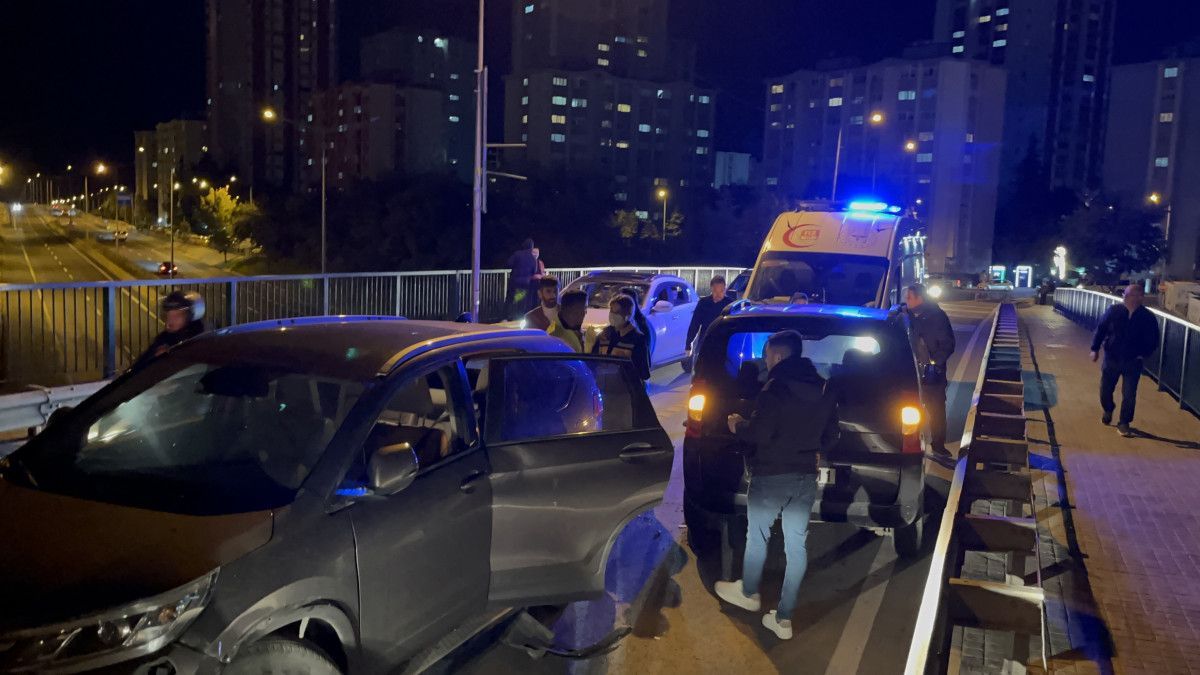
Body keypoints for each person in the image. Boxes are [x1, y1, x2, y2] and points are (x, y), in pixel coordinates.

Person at [714, 330, 839, 640]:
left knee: (758, 536)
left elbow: (760, 433)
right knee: (796, 546)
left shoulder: (775, 389)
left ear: (779, 356)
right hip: (804, 476)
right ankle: (783, 619)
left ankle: (749, 592)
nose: (765, 360)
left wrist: (737, 425)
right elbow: (831, 435)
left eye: (767, 354)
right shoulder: (824, 388)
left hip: (771, 475)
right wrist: (813, 449)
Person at [1090, 284, 1160, 437]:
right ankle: (1108, 409)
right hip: (1112, 358)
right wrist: (1095, 349)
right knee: (1105, 390)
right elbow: (1101, 329)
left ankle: (1124, 422)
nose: (1126, 298)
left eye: (1130, 295)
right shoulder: (1114, 311)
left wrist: (1144, 354)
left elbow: (1153, 339)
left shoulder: (1147, 317)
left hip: (1133, 360)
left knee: (1129, 394)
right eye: (1126, 295)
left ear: (1140, 297)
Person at [905, 284, 956, 461]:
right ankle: (909, 443)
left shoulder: (937, 317)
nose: (906, 301)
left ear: (920, 298)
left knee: (936, 410)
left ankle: (938, 445)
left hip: (932, 374)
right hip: (911, 372)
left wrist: (934, 363)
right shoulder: (906, 316)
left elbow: (948, 345)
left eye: (909, 297)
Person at [134, 290, 206, 367]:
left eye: (177, 316)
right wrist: (154, 358)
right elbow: (139, 365)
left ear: (189, 317)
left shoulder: (198, 341)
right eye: (168, 316)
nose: (170, 321)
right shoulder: (164, 338)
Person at [592, 294, 651, 380]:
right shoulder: (603, 335)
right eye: (611, 310)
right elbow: (592, 361)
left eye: (616, 312)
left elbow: (643, 373)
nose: (612, 315)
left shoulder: (637, 339)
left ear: (627, 315)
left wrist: (623, 366)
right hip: (603, 385)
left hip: (625, 387)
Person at [686, 275, 735, 357]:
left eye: (721, 291)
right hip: (705, 344)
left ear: (725, 289)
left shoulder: (730, 304)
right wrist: (688, 345)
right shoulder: (703, 303)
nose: (718, 294)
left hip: (723, 345)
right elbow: (694, 324)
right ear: (711, 289)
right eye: (715, 291)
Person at [505, 238, 539, 320]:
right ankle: (518, 320)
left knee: (509, 301)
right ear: (532, 247)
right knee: (521, 303)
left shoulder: (517, 254)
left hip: (514, 282)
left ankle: (505, 318)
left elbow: (509, 263)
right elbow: (534, 271)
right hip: (524, 284)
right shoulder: (533, 258)